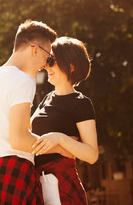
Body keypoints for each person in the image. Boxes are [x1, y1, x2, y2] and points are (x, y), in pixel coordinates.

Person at [0, 20, 72, 204]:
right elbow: (19, 139)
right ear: (35, 49)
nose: (47, 65)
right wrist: (63, 148)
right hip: (15, 171)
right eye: (48, 57)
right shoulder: (23, 80)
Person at [31, 37, 99, 205]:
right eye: (48, 61)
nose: (46, 65)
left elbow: (92, 155)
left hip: (62, 187)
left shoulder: (81, 103)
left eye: (52, 61)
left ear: (71, 66)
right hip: (36, 182)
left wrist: (60, 138)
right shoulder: (46, 98)